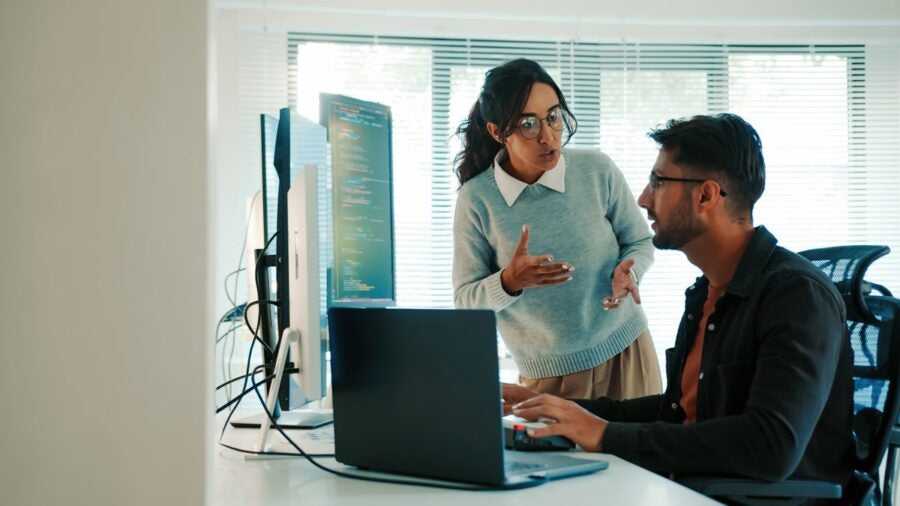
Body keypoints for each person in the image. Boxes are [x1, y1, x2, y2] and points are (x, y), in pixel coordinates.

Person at [504, 113, 855, 488]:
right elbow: (676, 411)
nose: (642, 198)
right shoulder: (706, 291)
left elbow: (770, 446)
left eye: (658, 182)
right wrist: (562, 411)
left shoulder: (796, 296)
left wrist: (604, 434)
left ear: (706, 195)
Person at [452, 58, 661, 400]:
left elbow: (638, 241)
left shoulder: (596, 170)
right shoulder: (477, 200)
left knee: (640, 454)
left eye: (553, 117)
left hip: (629, 352)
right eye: (528, 124)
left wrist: (631, 270)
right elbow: (465, 301)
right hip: (549, 380)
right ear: (496, 131)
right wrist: (509, 281)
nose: (548, 136)